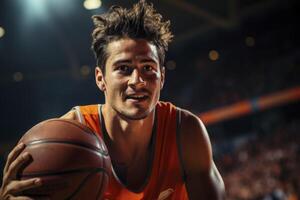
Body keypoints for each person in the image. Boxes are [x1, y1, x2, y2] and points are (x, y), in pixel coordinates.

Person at [0, 1, 225, 199]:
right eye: (123, 69)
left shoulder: (185, 132)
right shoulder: (69, 133)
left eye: (148, 68)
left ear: (162, 77)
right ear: (101, 79)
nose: (137, 80)